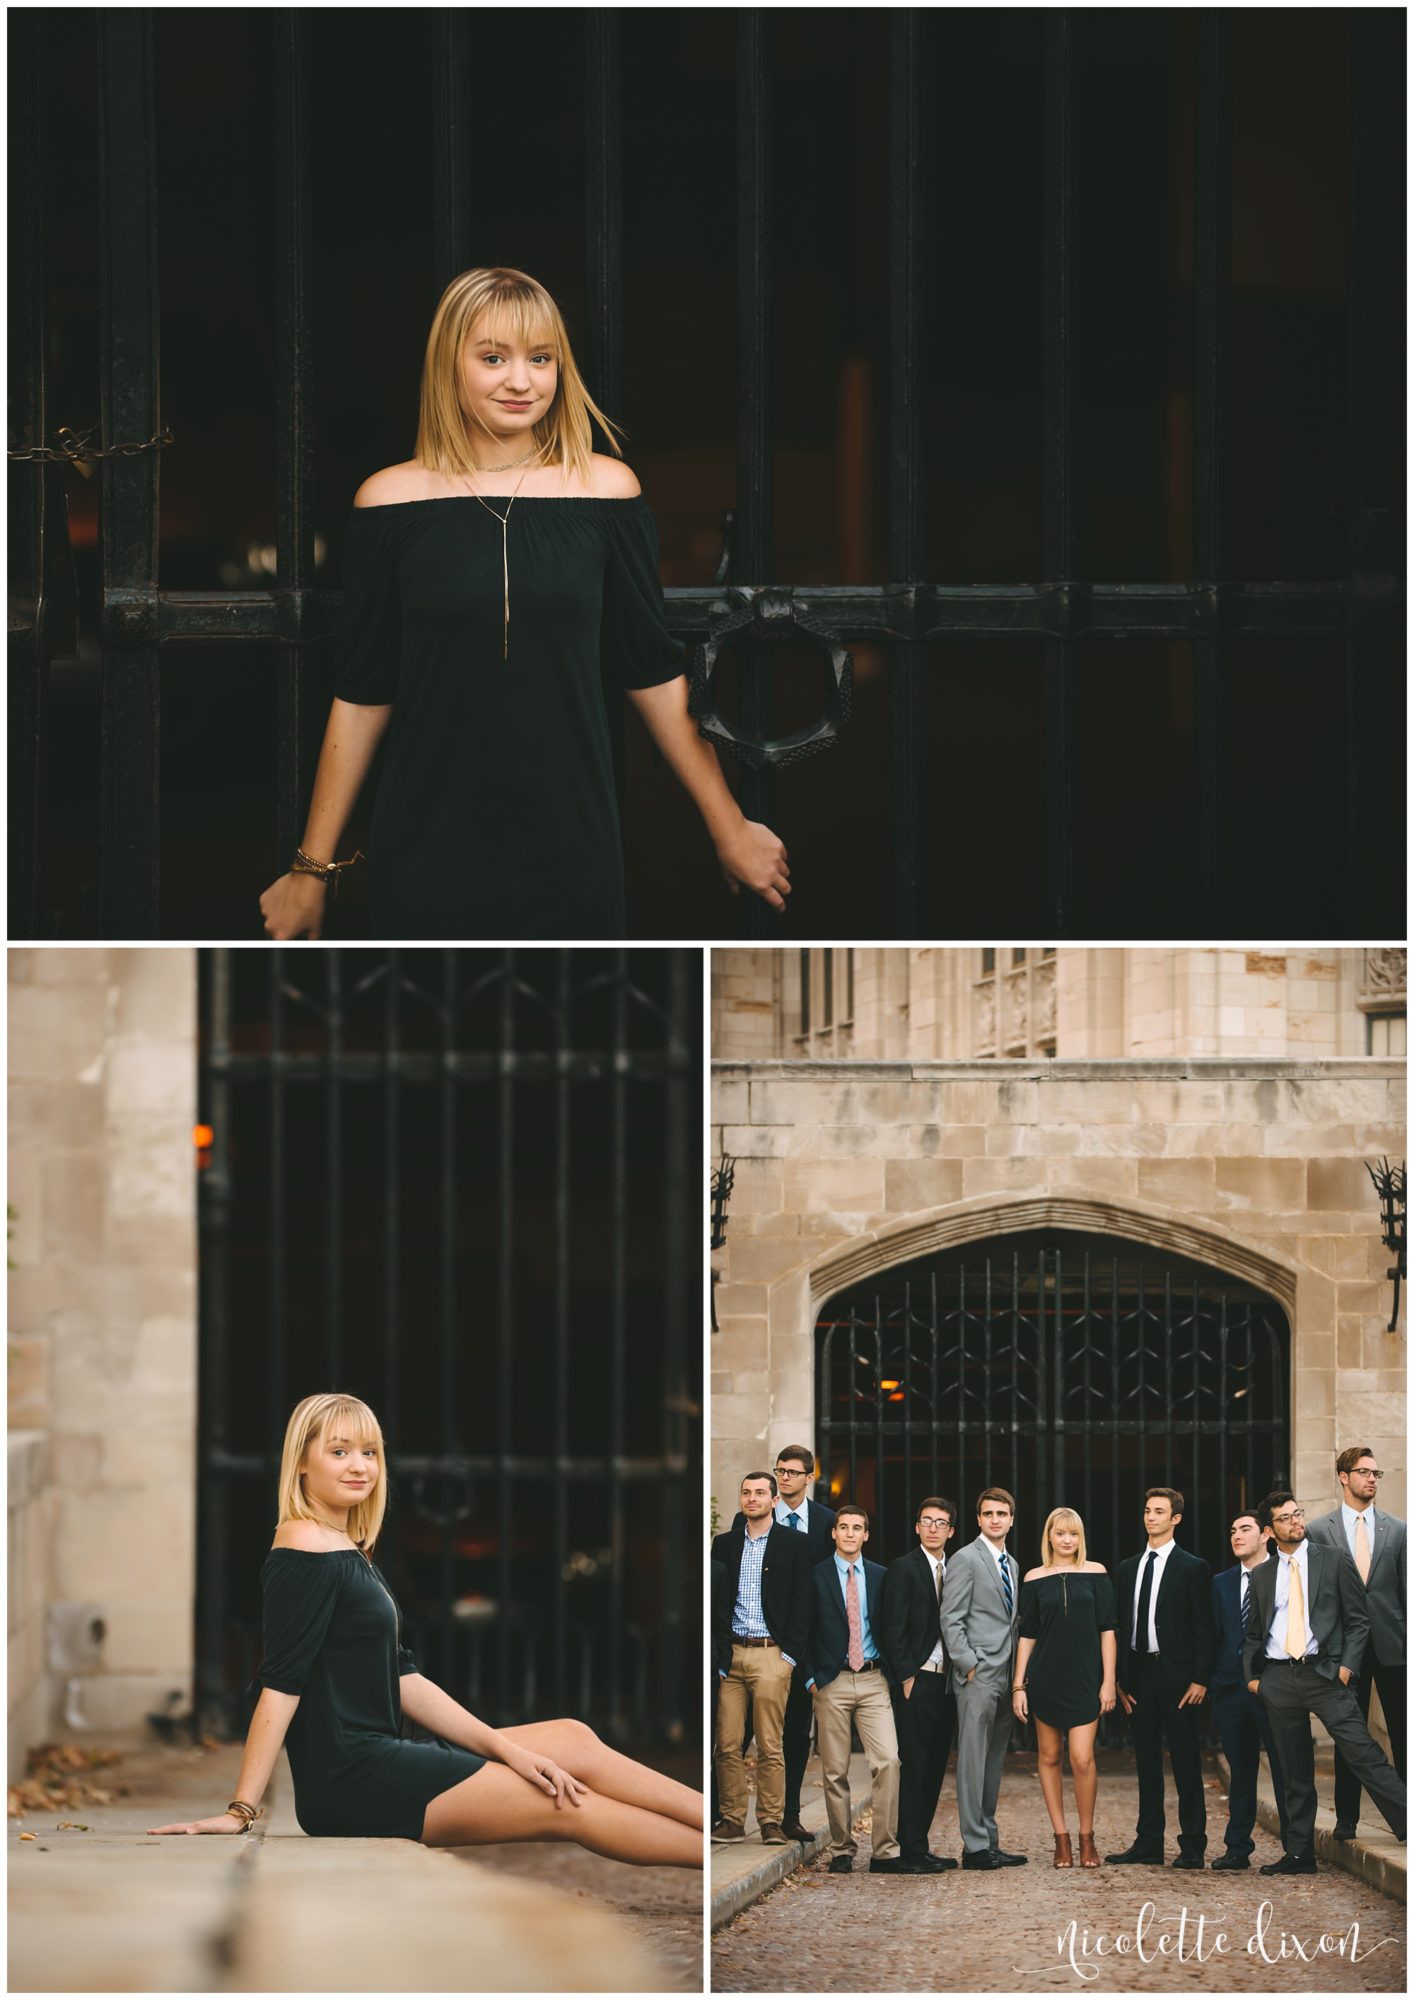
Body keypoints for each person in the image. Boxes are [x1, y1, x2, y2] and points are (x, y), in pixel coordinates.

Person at [258, 265, 790, 942]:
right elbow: (365, 690)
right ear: (448, 364)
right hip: (425, 839)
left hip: (572, 833)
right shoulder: (388, 502)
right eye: (493, 358)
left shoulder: (606, 493)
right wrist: (312, 870)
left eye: (541, 359)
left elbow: (652, 673)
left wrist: (729, 824)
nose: (521, 380)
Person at [148, 1393, 701, 1865]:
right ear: (301, 1463)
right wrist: (241, 1809)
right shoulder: (302, 1547)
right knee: (567, 1802)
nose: (358, 1465)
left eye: (368, 1452)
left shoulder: (348, 1549)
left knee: (571, 1739)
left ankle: (718, 1824)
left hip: (383, 1754)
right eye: (338, 1452)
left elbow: (403, 1677)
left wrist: (506, 1748)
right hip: (352, 1779)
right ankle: (706, 1855)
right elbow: (282, 1681)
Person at [1243, 1489, 1406, 1874]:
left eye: (1298, 1514)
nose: (1297, 1522)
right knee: (1294, 1769)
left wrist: (1346, 1668)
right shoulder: (1262, 1574)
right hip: (1279, 1679)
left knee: (1365, 1754)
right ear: (1270, 1530)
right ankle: (1299, 1854)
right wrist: (1254, 1679)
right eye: (1286, 1518)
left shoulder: (1332, 1560)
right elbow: (1253, 1632)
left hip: (1326, 1674)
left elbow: (1358, 1619)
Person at [730, 1445, 836, 1840]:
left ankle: (788, 1814)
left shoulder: (826, 1523)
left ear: (810, 1477)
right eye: (781, 1471)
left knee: (793, 1733)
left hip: (805, 1645)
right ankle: (726, 1813)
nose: (787, 1476)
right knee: (737, 1734)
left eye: (794, 1471)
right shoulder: (748, 1526)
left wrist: (809, 1656)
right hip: (761, 1644)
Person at [1107, 1486, 1213, 1869]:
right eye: (1147, 1510)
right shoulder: (1127, 1567)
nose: (1151, 1517)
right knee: (1147, 1763)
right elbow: (1118, 1627)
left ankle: (1193, 1846)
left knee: (1186, 1763)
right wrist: (1118, 1680)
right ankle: (1149, 1843)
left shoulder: (1193, 1567)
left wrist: (1201, 1679)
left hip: (1180, 1680)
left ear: (1176, 1519)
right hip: (1138, 1676)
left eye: (1159, 1511)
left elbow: (1205, 1628)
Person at [1305, 1445, 1406, 1838]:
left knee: (1402, 1733)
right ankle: (1347, 1819)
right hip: (1346, 1650)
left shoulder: (1398, 1529)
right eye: (1365, 1472)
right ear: (1344, 1476)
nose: (1372, 1479)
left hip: (1392, 1645)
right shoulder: (1319, 1530)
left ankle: (1405, 1818)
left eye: (1376, 1474)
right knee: (1350, 1732)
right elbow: (1319, 1597)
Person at [710, 1471, 811, 1845]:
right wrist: (720, 1658)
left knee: (770, 1743)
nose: (752, 1498)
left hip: (772, 1654)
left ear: (773, 1500)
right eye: (746, 1493)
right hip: (732, 1655)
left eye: (759, 1493)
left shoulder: (794, 1544)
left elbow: (803, 1602)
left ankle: (771, 1820)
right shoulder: (724, 1544)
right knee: (727, 1743)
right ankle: (732, 1819)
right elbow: (717, 1602)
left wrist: (790, 1657)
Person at [1012, 1507, 1116, 1869]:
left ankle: (1087, 1838)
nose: (1067, 1540)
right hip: (1045, 1678)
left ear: (1080, 1538)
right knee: (1050, 1757)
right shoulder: (1034, 1577)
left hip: (1086, 1679)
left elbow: (1107, 1631)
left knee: (1082, 1758)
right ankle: (1062, 1840)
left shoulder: (1097, 1573)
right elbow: (1027, 1635)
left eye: (1073, 1533)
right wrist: (1018, 1685)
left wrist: (1108, 1682)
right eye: (1060, 1533)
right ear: (1050, 1537)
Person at [803, 1506, 904, 1874]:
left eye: (856, 1528)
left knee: (888, 1761)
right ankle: (842, 1848)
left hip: (875, 1680)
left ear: (866, 1535)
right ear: (833, 1534)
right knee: (834, 1770)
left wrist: (897, 1674)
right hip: (832, 1681)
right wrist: (811, 1678)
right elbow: (804, 1629)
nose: (849, 1533)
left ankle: (885, 1851)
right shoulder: (816, 1577)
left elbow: (894, 1625)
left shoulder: (881, 1576)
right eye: (843, 1527)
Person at [941, 1486, 1026, 1870]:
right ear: (978, 1520)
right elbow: (951, 1617)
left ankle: (988, 1840)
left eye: (1002, 1514)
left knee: (993, 1763)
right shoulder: (965, 1559)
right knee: (973, 1762)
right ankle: (974, 1847)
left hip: (1006, 1676)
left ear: (1011, 1519)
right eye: (988, 1513)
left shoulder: (1012, 1564)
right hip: (977, 1676)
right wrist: (968, 1663)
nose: (995, 1519)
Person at [880, 1495, 960, 1873]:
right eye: (926, 1521)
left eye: (940, 1522)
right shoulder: (903, 1568)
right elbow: (891, 1628)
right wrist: (907, 1676)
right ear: (917, 1527)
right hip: (919, 1680)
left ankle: (920, 1845)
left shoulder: (956, 1569)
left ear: (951, 1531)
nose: (932, 1527)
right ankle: (908, 1849)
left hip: (948, 1684)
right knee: (913, 1766)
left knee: (933, 1768)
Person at [1208, 1509, 1289, 1869]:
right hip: (1230, 1690)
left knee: (1286, 1768)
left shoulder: (1287, 1574)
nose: (1236, 1536)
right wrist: (1214, 1680)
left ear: (1266, 1534)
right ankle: (1237, 1848)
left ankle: (1295, 1847)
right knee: (1240, 1772)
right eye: (1232, 1530)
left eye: (1245, 1529)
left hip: (1274, 1687)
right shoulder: (1221, 1582)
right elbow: (1213, 1636)